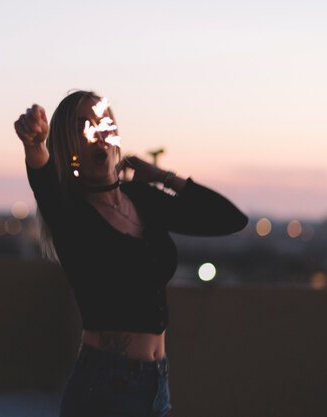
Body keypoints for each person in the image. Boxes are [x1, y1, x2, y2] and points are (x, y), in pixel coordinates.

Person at [14, 90, 248, 417]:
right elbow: (43, 178)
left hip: (156, 383)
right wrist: (35, 144)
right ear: (70, 148)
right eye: (84, 127)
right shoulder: (71, 213)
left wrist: (164, 177)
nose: (98, 133)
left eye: (103, 122)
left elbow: (229, 219)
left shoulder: (142, 198)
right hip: (105, 386)